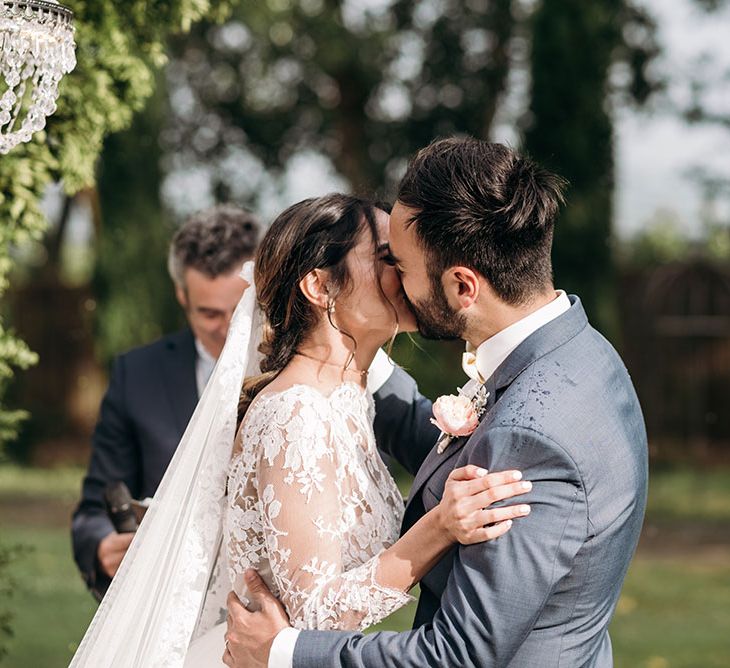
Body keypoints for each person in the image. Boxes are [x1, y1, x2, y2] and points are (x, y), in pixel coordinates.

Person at [223, 138, 649, 668]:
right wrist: (337, 341)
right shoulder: (581, 352)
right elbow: (455, 451)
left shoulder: (531, 433)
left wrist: (282, 650)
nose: (394, 282)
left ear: (461, 286)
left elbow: (459, 654)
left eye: (398, 265)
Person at [67, 194, 531, 668]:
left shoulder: (347, 395)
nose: (409, 273)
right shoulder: (294, 414)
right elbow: (315, 612)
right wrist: (439, 527)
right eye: (388, 258)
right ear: (319, 286)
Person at [71, 204, 260, 599]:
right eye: (208, 313)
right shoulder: (136, 374)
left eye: (240, 310)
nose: (227, 329)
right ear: (181, 294)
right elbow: (94, 509)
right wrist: (102, 545)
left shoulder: (301, 366)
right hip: (163, 600)